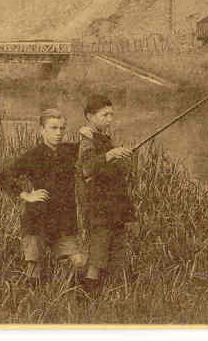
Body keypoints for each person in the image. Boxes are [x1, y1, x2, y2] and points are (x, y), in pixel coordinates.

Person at [0, 108, 86, 285]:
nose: (59, 133)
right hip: (36, 219)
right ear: (42, 130)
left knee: (79, 263)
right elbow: (3, 177)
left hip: (63, 221)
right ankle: (31, 300)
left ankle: (62, 292)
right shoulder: (33, 156)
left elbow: (95, 151)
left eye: (62, 128)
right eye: (53, 128)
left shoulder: (70, 151)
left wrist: (87, 134)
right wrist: (26, 195)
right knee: (34, 269)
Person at [77, 94, 136, 294]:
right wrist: (110, 154)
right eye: (105, 115)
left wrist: (120, 155)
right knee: (99, 253)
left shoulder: (104, 137)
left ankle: (116, 291)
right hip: (98, 207)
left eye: (111, 114)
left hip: (113, 205)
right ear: (90, 117)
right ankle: (87, 295)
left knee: (117, 247)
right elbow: (87, 168)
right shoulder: (86, 140)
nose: (109, 119)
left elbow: (108, 168)